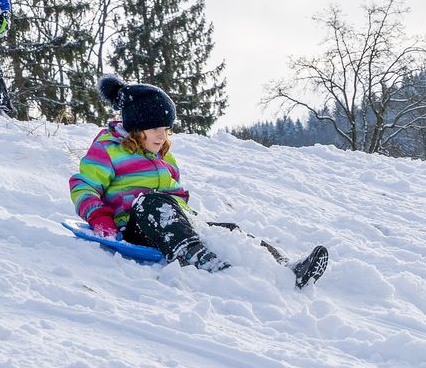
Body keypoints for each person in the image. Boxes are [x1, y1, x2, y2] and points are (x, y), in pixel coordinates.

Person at [70, 74, 330, 288]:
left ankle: (285, 268)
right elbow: (83, 186)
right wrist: (101, 220)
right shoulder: (109, 148)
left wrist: (189, 218)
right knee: (151, 202)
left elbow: (175, 195)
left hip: (173, 225)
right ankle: (192, 253)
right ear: (137, 127)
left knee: (229, 230)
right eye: (156, 129)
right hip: (134, 226)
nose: (163, 136)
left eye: (166, 130)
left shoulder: (162, 155)